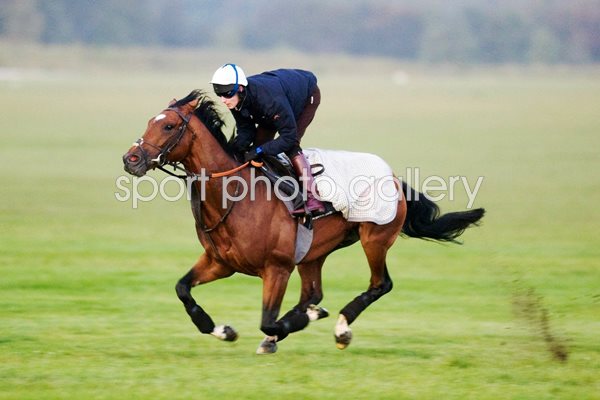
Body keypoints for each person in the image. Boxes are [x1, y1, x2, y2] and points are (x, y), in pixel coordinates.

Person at [210, 63, 325, 214]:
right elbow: (246, 130)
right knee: (255, 152)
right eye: (220, 95)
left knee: (290, 146)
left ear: (240, 88)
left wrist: (260, 150)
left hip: (305, 97)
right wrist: (236, 150)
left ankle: (313, 198)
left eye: (227, 94)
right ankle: (262, 195)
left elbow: (288, 137)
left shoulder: (269, 100)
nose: (223, 100)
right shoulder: (237, 100)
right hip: (270, 108)